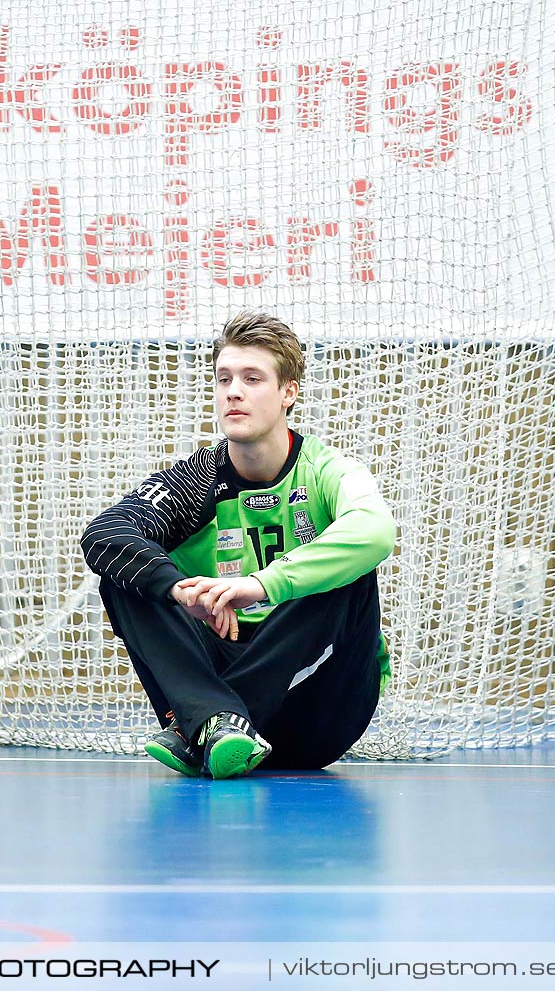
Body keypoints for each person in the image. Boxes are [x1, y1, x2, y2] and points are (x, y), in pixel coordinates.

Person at [80, 311, 395, 778]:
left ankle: (207, 722)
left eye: (252, 378)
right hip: (220, 671)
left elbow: (374, 531)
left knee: (352, 574)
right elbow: (104, 534)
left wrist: (262, 584)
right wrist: (178, 589)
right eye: (224, 378)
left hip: (319, 711)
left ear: (289, 391)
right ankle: (215, 723)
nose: (234, 391)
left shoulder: (328, 469)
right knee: (127, 578)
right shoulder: (197, 480)